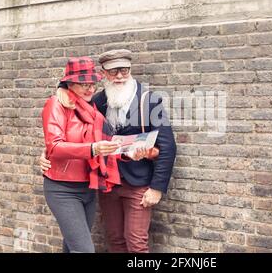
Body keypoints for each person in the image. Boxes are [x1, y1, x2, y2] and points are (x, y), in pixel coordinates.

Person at [40, 49, 177, 253]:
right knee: (113, 241)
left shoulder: (149, 100)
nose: (120, 76)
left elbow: (167, 147)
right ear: (104, 73)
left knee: (136, 243)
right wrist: (47, 152)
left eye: (124, 70)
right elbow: (65, 138)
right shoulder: (96, 101)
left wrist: (157, 187)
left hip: (136, 183)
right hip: (106, 185)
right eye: (113, 72)